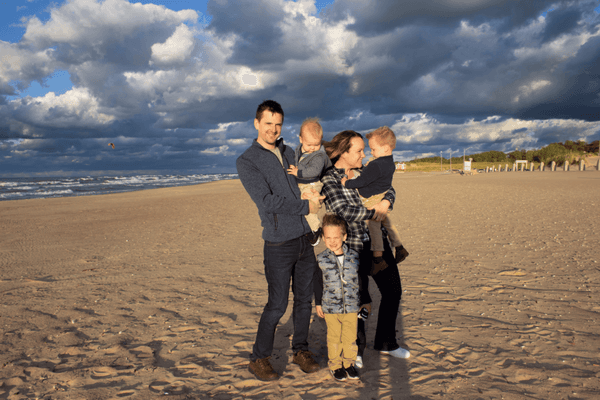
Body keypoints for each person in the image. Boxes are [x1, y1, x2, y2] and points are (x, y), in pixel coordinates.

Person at [236, 100, 323, 381]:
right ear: (257, 123)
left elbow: (313, 174)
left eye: (278, 124)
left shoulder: (290, 152)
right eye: (268, 123)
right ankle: (259, 358)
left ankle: (300, 350)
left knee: (304, 301)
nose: (273, 129)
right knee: (276, 305)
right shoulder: (247, 161)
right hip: (278, 243)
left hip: (306, 237)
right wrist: (305, 208)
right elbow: (266, 201)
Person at [321, 130, 410, 369]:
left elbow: (387, 187)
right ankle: (355, 349)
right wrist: (375, 212)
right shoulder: (329, 179)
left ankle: (386, 342)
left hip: (377, 243)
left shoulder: (366, 171)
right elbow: (343, 211)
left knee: (393, 292)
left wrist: (387, 201)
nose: (364, 155)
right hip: (352, 248)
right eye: (359, 151)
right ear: (344, 152)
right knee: (357, 301)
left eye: (365, 149)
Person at [341, 126, 409, 272]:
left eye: (373, 149)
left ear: (385, 148)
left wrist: (346, 183)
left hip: (371, 199)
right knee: (388, 224)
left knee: (374, 228)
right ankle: (399, 247)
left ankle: (378, 258)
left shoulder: (376, 165)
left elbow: (362, 182)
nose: (370, 153)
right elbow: (381, 181)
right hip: (382, 194)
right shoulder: (389, 163)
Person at [314, 214, 361, 382]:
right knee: (334, 338)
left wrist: (363, 302)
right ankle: (335, 366)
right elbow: (318, 283)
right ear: (323, 238)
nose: (332, 241)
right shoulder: (320, 259)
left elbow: (360, 280)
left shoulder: (354, 257)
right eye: (328, 238)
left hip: (351, 307)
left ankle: (349, 364)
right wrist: (318, 303)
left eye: (336, 237)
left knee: (350, 338)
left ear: (344, 236)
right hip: (330, 308)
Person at [287, 118, 332, 245]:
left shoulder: (319, 155)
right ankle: (307, 227)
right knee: (299, 203)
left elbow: (314, 171)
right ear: (301, 139)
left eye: (316, 145)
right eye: (309, 145)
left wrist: (298, 173)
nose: (312, 148)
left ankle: (316, 229)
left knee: (308, 205)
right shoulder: (298, 150)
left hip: (312, 184)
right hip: (302, 184)